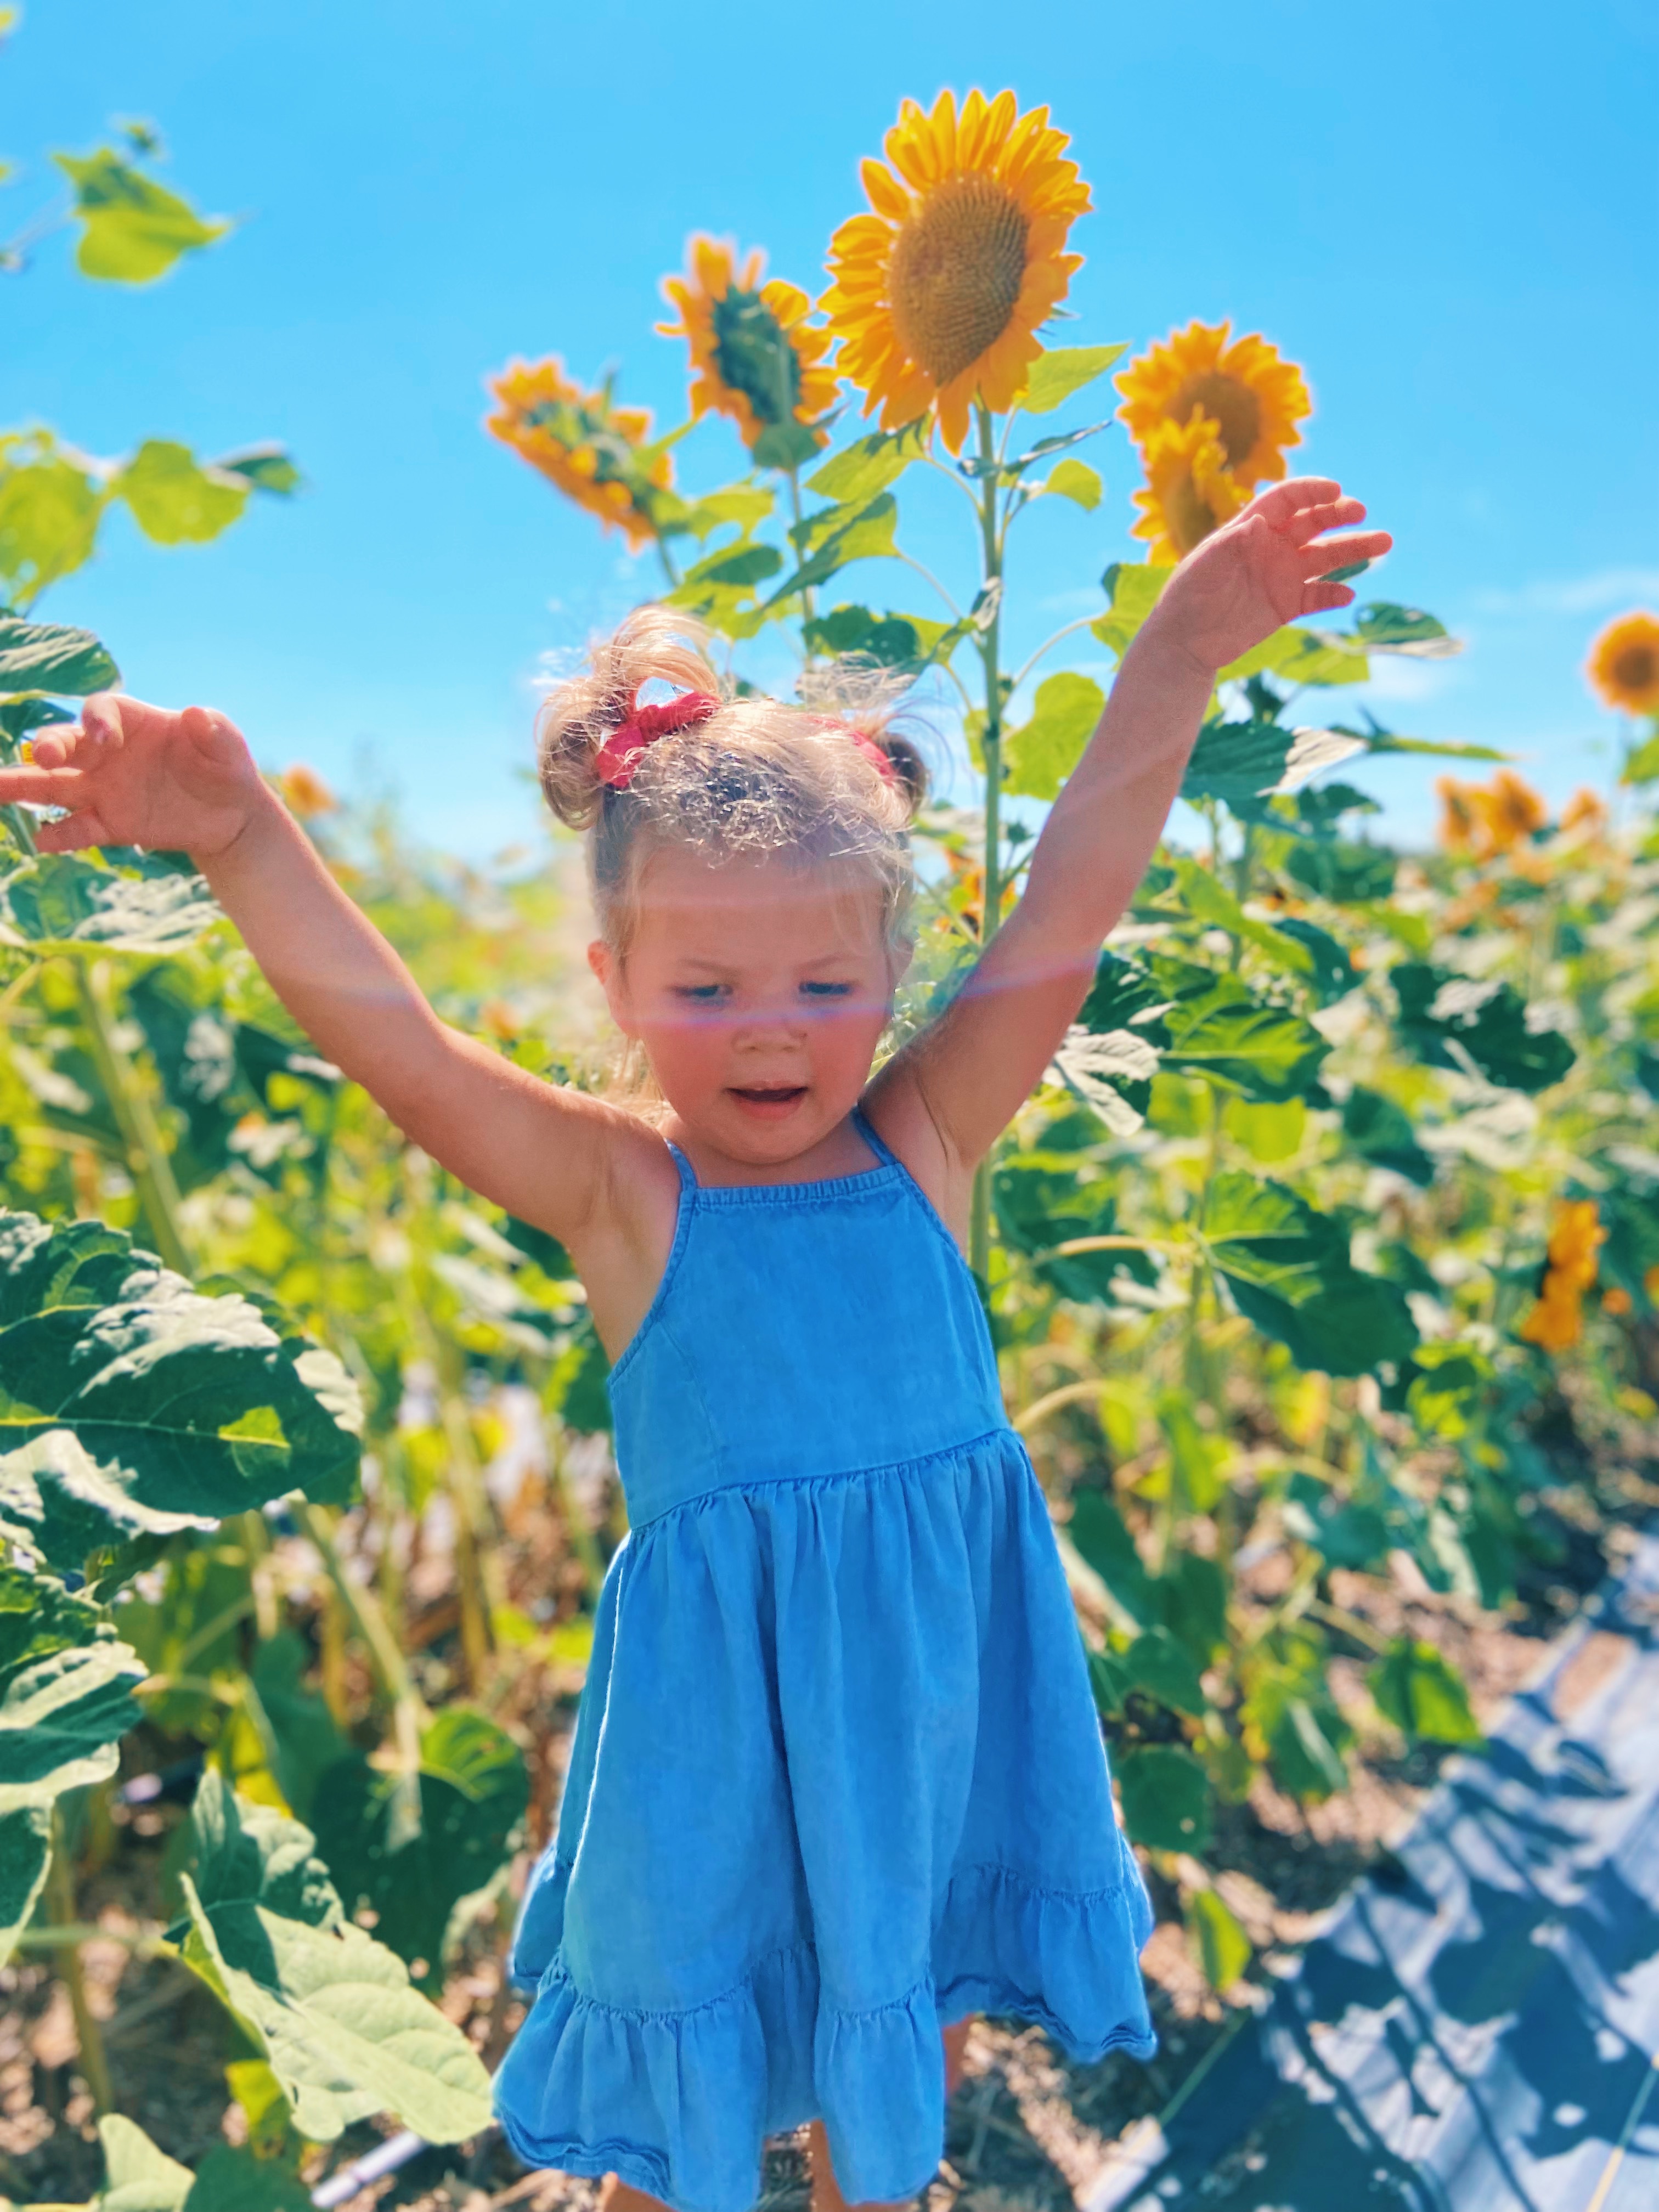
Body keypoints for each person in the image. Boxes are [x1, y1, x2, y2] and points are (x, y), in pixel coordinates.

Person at [0, 476, 1389, 2212]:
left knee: (915, 1973)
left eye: (822, 982)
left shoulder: (929, 1139)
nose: (770, 1035)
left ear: (895, 960)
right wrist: (240, 835)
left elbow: (1075, 902)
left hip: (933, 1692)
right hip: (715, 1734)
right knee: (692, 2064)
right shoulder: (622, 1198)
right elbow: (406, 1050)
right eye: (706, 989)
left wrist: (1180, 648)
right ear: (613, 981)